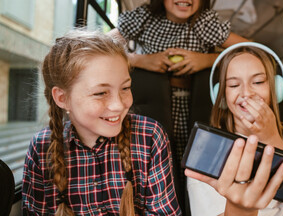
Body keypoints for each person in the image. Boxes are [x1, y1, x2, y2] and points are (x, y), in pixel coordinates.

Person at [108, 0, 249, 197]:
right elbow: (100, 47)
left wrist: (207, 59)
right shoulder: (145, 18)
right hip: (150, 109)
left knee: (191, 168)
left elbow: (248, 49)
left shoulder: (204, 23)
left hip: (197, 108)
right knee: (156, 166)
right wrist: (140, 60)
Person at [22, 30, 181, 215]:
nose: (119, 105)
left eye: (125, 88)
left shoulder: (150, 135)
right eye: (100, 93)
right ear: (62, 98)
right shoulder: (42, 148)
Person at [186, 43, 283, 215]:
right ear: (222, 96)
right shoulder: (207, 148)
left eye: (258, 82)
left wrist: (272, 139)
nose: (246, 93)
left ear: (276, 89)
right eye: (233, 85)